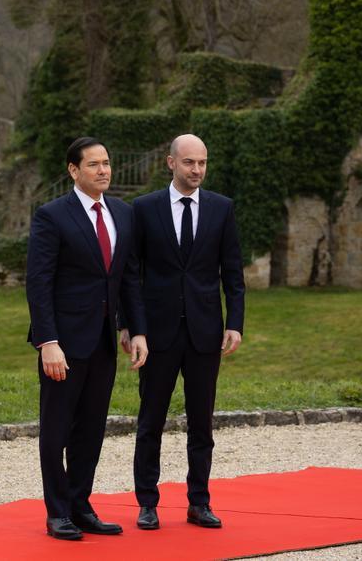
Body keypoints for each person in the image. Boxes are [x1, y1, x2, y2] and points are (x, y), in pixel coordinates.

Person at [26, 137, 148, 541]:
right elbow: (39, 283)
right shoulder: (52, 216)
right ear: (73, 171)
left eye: (107, 163)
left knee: (92, 429)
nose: (104, 171)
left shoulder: (123, 214)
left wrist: (135, 328)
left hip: (103, 342)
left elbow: (128, 277)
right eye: (93, 164)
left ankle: (80, 506)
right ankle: (56, 512)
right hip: (62, 343)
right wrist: (48, 341)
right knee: (57, 429)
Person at [126, 133, 244, 531]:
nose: (197, 170)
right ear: (170, 163)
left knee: (202, 424)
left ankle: (199, 503)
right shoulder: (143, 209)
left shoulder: (221, 208)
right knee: (150, 422)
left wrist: (235, 323)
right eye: (190, 162)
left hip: (205, 333)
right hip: (157, 335)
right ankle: (147, 504)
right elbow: (130, 273)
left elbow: (233, 272)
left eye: (203, 163)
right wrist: (131, 326)